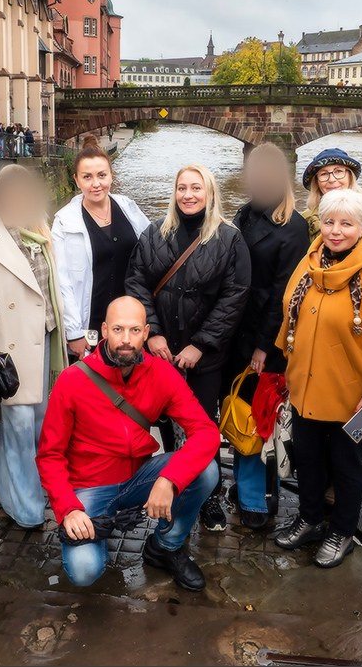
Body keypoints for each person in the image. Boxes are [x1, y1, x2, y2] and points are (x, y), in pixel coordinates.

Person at [37, 296, 221, 590]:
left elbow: (206, 432)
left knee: (206, 470)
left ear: (146, 333)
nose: (126, 340)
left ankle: (166, 546)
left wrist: (170, 480)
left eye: (135, 331)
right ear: (104, 330)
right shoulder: (72, 381)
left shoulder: (161, 374)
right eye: (118, 330)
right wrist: (68, 508)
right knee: (84, 571)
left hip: (138, 479)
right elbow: (49, 455)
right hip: (89, 488)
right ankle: (99, 526)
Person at [274, 188, 362, 568]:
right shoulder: (309, 265)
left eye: (346, 224)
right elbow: (290, 318)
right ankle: (310, 517)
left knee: (347, 466)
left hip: (353, 398)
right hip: (305, 387)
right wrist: (288, 368)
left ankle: (342, 531)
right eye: (329, 222)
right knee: (308, 460)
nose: (335, 231)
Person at [125, 163, 251, 532]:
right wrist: (154, 334)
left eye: (196, 188)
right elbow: (136, 284)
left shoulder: (229, 238)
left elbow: (235, 297)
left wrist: (201, 344)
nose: (188, 195)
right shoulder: (154, 233)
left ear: (210, 193)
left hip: (204, 357)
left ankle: (210, 495)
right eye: (182, 188)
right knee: (164, 421)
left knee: (200, 426)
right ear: (174, 193)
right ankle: (170, 485)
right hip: (161, 354)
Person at [0, 165, 65, 529]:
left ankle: (0, 487)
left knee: (36, 423)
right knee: (20, 424)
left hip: (44, 341)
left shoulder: (39, 230)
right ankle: (26, 507)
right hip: (7, 351)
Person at [225, 143, 309, 530]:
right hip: (236, 333)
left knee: (257, 420)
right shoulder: (245, 212)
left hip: (264, 342)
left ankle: (255, 501)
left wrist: (262, 345)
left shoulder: (292, 226)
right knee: (243, 416)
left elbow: (284, 295)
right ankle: (251, 489)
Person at [51, 135, 150, 360]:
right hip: (92, 323)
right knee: (95, 388)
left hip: (130, 323)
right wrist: (74, 332)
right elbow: (62, 281)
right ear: (76, 180)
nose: (96, 184)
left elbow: (152, 248)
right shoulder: (65, 223)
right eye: (88, 177)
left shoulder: (127, 208)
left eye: (102, 175)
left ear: (111, 176)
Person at [300, 148, 362, 274]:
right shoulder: (306, 219)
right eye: (324, 174)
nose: (331, 179)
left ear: (349, 176)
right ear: (317, 182)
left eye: (338, 172)